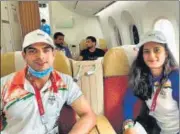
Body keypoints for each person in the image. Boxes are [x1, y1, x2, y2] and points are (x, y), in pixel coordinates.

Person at [0, 29, 96, 134]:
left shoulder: (65, 82)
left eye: (46, 50)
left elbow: (88, 115)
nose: (41, 56)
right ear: (24, 56)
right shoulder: (4, 84)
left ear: (53, 54)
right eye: (32, 51)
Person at [122, 31, 179, 134]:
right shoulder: (140, 77)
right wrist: (128, 125)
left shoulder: (175, 77)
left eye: (157, 50)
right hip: (153, 127)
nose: (152, 56)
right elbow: (128, 102)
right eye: (147, 51)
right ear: (142, 55)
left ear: (166, 53)